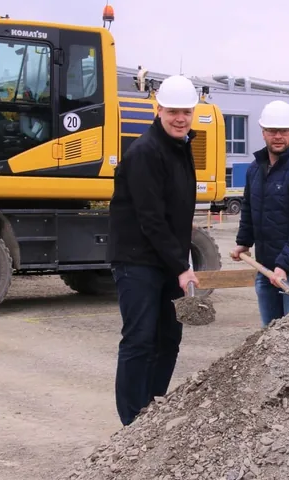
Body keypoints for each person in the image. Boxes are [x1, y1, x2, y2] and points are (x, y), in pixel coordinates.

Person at [107, 74, 201, 426]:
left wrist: (182, 258)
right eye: (174, 111)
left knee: (169, 336)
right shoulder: (146, 151)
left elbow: (177, 213)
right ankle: (132, 420)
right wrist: (181, 264)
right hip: (137, 260)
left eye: (186, 112)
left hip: (165, 260)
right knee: (140, 338)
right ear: (158, 109)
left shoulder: (181, 148)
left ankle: (153, 407)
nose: (181, 118)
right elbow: (151, 219)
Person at [230, 100, 289, 326]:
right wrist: (244, 242)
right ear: (263, 132)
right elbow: (250, 208)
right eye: (272, 131)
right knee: (270, 337)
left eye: (284, 131)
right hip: (267, 267)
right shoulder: (255, 169)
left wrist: (283, 264)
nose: (278, 136)